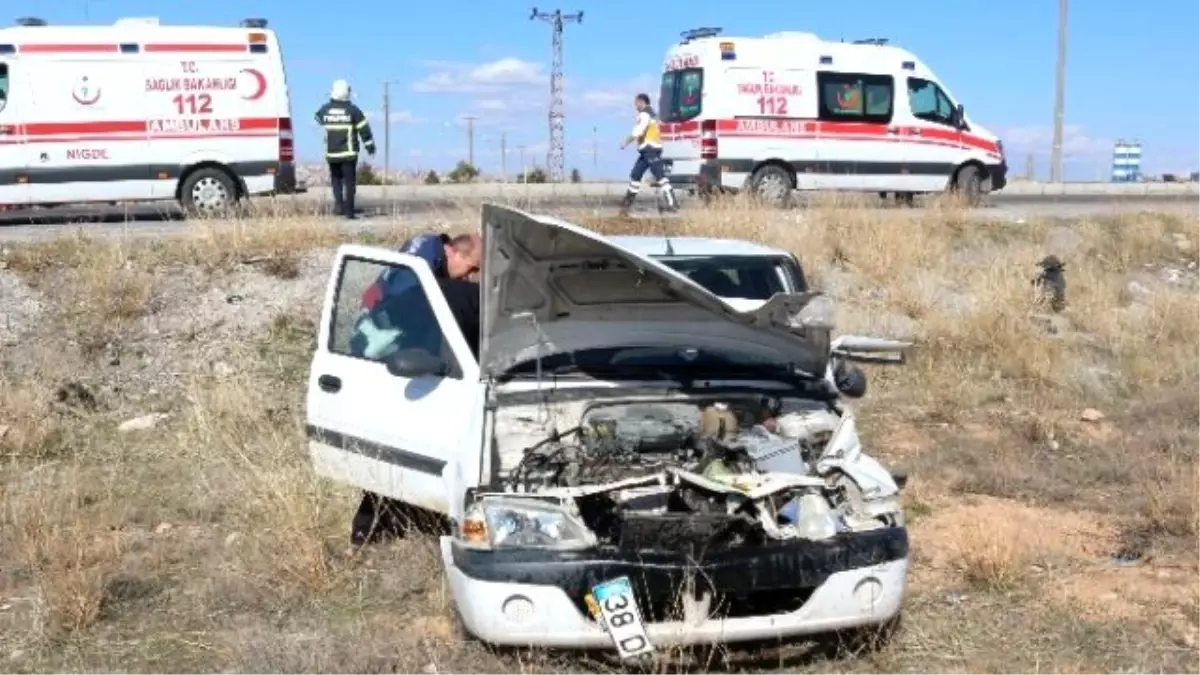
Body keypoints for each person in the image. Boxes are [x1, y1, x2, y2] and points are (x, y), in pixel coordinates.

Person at [359, 232, 482, 312]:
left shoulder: (431, 242)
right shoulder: (419, 276)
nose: (471, 275)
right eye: (473, 268)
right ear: (453, 252)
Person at [315, 79, 376, 219]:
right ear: (348, 93)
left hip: (332, 153)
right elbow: (364, 130)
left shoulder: (325, 109)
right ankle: (349, 212)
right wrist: (370, 147)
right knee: (349, 183)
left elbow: (317, 118)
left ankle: (339, 206)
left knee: (336, 180)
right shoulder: (353, 111)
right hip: (349, 154)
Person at [619, 93, 678, 215]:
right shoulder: (653, 115)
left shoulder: (645, 114)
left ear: (641, 102)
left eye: (636, 103)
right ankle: (626, 205)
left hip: (650, 149)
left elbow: (638, 132)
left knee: (660, 176)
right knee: (635, 175)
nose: (635, 106)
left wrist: (625, 142)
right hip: (646, 151)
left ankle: (673, 204)